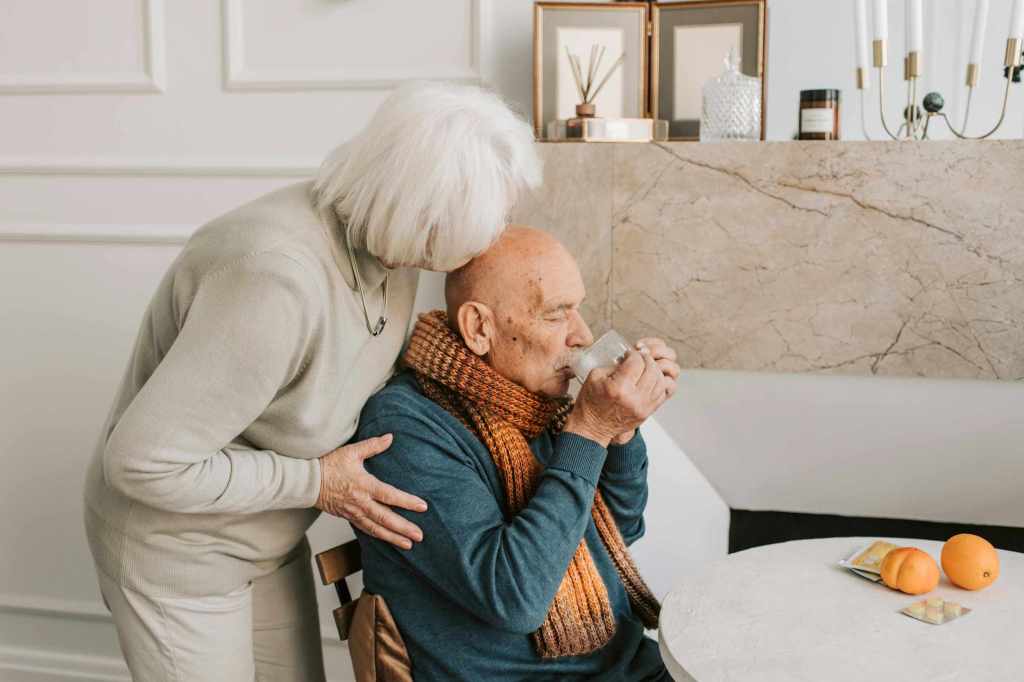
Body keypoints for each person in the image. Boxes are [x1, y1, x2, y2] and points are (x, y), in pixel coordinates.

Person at [81, 81, 541, 681]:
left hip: (266, 536)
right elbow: (142, 464)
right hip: (178, 553)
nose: (497, 231)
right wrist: (318, 482)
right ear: (424, 213)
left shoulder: (395, 249)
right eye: (491, 215)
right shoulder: (275, 280)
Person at [353, 226, 680, 681]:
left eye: (577, 309)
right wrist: (589, 432)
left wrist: (621, 431)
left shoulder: (533, 402)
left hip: (620, 665)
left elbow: (616, 532)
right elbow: (515, 597)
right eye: (556, 315)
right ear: (479, 328)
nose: (582, 334)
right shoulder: (405, 430)